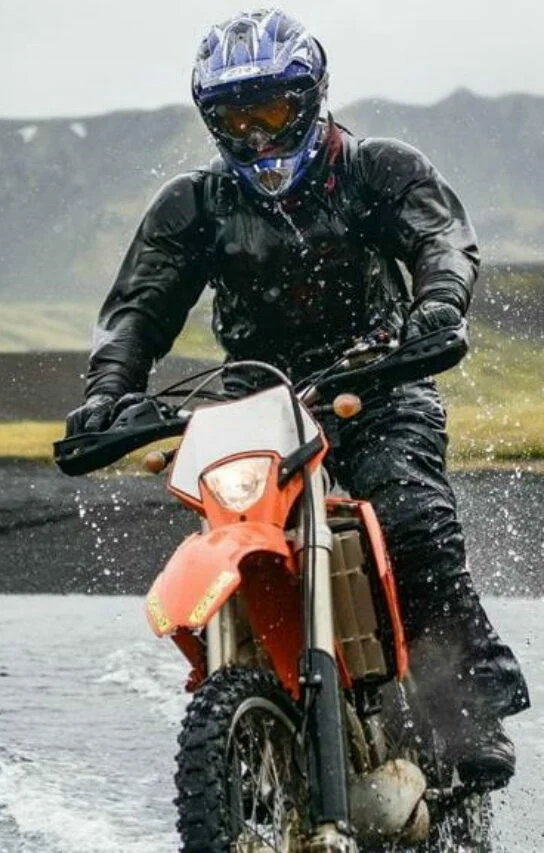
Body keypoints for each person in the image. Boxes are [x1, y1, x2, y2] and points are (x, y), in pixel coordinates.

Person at [66, 9, 529, 788]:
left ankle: (465, 705)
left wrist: (439, 306)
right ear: (212, 121)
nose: (255, 134)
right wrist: (108, 391)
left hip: (379, 381)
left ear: (310, 99)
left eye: (270, 110)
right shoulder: (195, 205)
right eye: (234, 117)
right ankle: (250, 698)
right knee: (230, 520)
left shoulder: (377, 167)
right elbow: (137, 310)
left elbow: (441, 240)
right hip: (255, 402)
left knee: (414, 511)